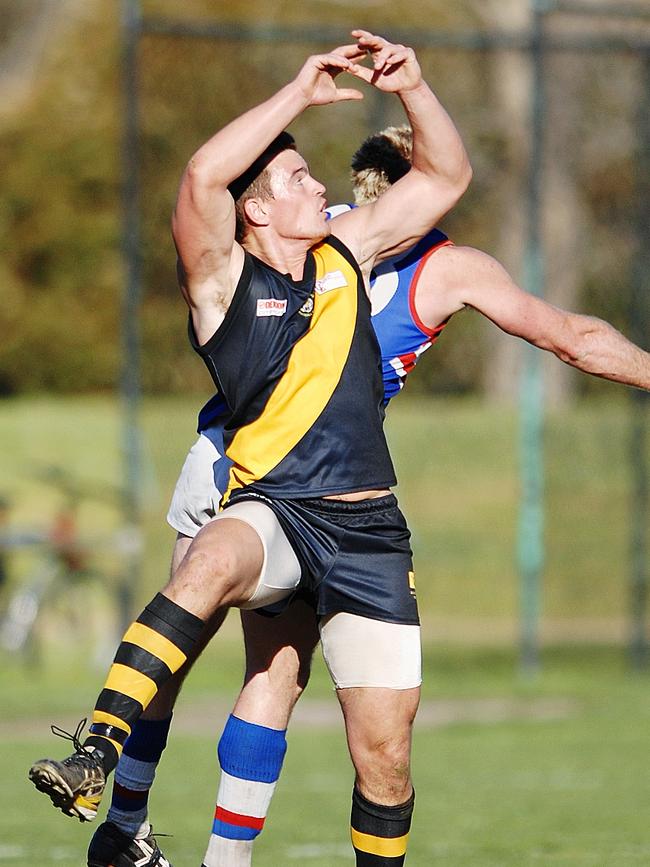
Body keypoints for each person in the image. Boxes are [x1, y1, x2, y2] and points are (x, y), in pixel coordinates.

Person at [87, 124, 650, 867]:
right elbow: (571, 335)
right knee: (210, 645)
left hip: (298, 477)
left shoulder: (377, 248)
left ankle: (148, 830)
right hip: (251, 461)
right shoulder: (362, 246)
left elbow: (570, 333)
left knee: (258, 664)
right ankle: (130, 822)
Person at [29, 30, 473, 867]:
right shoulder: (224, 282)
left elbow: (447, 178)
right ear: (258, 209)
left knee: (385, 758)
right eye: (300, 179)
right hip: (275, 509)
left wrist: (414, 87)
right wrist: (299, 92)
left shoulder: (347, 250)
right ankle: (98, 746)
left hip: (370, 531)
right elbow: (202, 176)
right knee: (205, 562)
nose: (321, 188)